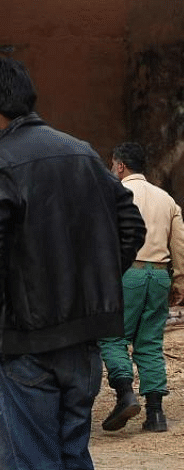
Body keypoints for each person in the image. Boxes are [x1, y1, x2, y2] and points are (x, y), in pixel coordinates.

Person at [0, 57, 144, 470]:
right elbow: (131, 225)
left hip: (24, 339)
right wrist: (95, 283)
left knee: (30, 459)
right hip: (83, 340)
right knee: (72, 454)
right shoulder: (81, 152)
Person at [99, 141, 184, 433]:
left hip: (127, 272)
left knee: (112, 336)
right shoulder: (167, 199)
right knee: (150, 343)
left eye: (113, 164)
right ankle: (155, 414)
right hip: (159, 275)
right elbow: (179, 243)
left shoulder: (115, 193)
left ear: (120, 165)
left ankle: (125, 394)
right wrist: (180, 280)